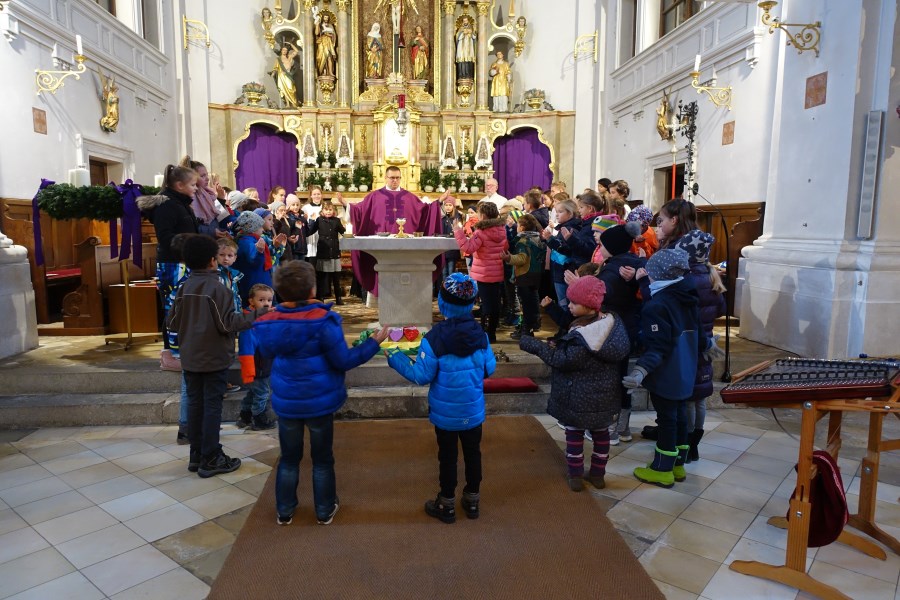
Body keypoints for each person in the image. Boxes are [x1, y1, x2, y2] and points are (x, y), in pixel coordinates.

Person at [251, 260, 389, 525]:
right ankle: (324, 509)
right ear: (313, 289)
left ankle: (285, 509)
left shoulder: (269, 323)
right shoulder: (324, 321)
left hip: (288, 400)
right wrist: (373, 343)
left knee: (289, 458)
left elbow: (267, 352)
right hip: (320, 401)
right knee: (322, 459)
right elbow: (343, 361)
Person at [386, 273, 496, 523]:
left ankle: (446, 504)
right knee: (473, 454)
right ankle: (472, 500)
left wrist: (396, 358)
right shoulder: (480, 334)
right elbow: (490, 368)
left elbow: (421, 376)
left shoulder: (434, 338)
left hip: (446, 416)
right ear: (471, 303)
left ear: (442, 303)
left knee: (447, 457)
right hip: (473, 411)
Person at [167, 234, 268, 478]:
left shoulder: (183, 286)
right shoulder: (218, 289)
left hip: (191, 356)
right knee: (212, 406)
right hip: (212, 357)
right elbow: (227, 324)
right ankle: (211, 457)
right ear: (213, 260)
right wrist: (257, 315)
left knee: (195, 404)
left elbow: (171, 321)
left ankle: (197, 454)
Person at [520, 276, 630, 491]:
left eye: (573, 303)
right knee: (601, 435)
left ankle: (575, 476)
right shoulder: (609, 325)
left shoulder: (585, 338)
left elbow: (562, 360)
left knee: (574, 437)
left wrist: (535, 345)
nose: (568, 306)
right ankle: (598, 474)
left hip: (578, 397)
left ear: (589, 306)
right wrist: (559, 344)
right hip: (605, 396)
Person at [639, 231, 726, 463]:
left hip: (674, 358)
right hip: (693, 353)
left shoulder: (670, 295)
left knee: (672, 413)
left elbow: (659, 339)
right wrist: (706, 342)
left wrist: (642, 368)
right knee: (687, 407)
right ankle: (684, 454)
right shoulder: (700, 286)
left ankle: (666, 463)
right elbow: (713, 316)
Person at [622, 248, 703, 488]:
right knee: (678, 418)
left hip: (667, 373)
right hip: (686, 371)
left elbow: (658, 346)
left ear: (658, 274)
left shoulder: (658, 305)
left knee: (667, 420)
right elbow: (698, 332)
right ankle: (678, 464)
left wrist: (640, 370)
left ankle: (662, 469)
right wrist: (708, 344)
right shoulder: (687, 297)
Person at [137, 164, 199, 373]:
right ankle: (171, 355)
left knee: (183, 308)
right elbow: (165, 237)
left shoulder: (180, 203)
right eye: (192, 184)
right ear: (179, 185)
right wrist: (193, 244)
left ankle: (181, 351)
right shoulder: (167, 205)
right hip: (173, 264)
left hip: (183, 261)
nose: (196, 188)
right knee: (174, 309)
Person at [350, 166, 443, 295]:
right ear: (385, 178)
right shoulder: (374, 196)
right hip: (381, 246)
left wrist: (438, 203)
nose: (395, 180)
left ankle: (405, 294)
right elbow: (359, 210)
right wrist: (346, 205)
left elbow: (425, 211)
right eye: (392, 178)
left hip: (405, 248)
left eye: (397, 178)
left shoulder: (409, 197)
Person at [453, 201, 508, 342]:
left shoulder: (481, 232)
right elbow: (505, 247)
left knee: (487, 305)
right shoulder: (502, 229)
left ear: (482, 215)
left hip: (484, 273)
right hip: (497, 272)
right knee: (494, 303)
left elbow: (468, 248)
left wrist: (458, 231)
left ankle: (487, 334)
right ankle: (492, 332)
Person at [236, 284, 278, 431]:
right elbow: (246, 348)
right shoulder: (250, 322)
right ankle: (260, 419)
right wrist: (249, 370)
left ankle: (245, 416)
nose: (266, 303)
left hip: (264, 362)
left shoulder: (267, 318)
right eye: (261, 300)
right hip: (258, 364)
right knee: (262, 392)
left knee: (254, 391)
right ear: (251, 301)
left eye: (269, 300)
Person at [501, 213, 545, 339]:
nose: (517, 227)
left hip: (525, 275)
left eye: (518, 225)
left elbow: (522, 258)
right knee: (533, 301)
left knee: (525, 304)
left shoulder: (523, 241)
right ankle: (534, 323)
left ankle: (526, 331)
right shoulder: (537, 238)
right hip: (535, 275)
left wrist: (508, 258)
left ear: (522, 228)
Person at [180, 156, 229, 238]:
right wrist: (212, 232)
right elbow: (190, 226)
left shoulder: (207, 193)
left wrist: (220, 199)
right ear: (192, 177)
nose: (207, 179)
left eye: (207, 175)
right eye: (202, 176)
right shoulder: (189, 197)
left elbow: (220, 217)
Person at [308, 201, 346, 304]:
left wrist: (348, 232)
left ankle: (338, 298)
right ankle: (320, 297)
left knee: (336, 277)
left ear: (333, 211)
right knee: (322, 276)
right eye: (326, 210)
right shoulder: (319, 220)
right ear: (322, 211)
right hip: (323, 251)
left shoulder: (336, 221)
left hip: (334, 252)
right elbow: (310, 231)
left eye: (330, 210)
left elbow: (343, 232)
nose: (328, 212)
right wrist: (311, 220)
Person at [439, 194, 464, 281]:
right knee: (443, 272)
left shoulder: (457, 217)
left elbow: (460, 230)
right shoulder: (441, 217)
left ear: (453, 206)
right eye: (446, 205)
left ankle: (451, 289)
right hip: (443, 248)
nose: (448, 207)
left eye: (450, 205)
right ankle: (444, 290)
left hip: (452, 248)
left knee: (451, 271)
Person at [271, 41, 300, 108]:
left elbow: (296, 51)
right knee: (284, 90)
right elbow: (276, 67)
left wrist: (290, 44)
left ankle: (294, 103)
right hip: (282, 75)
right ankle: (287, 104)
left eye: (286, 50)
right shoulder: (278, 59)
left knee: (291, 89)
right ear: (281, 50)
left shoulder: (289, 57)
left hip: (289, 75)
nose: (285, 51)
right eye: (283, 50)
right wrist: (273, 73)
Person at [315, 12, 338, 79]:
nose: (326, 19)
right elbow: (316, 33)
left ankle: (330, 72)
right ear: (322, 18)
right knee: (322, 56)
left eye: (327, 18)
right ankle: (323, 72)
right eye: (325, 17)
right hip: (322, 42)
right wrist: (317, 25)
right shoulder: (320, 25)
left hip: (329, 43)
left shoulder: (331, 25)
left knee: (329, 57)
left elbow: (334, 35)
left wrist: (329, 35)